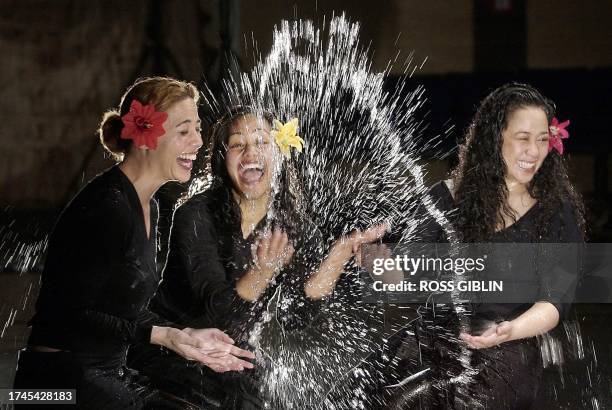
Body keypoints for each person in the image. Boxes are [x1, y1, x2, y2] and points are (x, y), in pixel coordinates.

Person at [13, 77, 255, 410]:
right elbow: (72, 315)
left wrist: (184, 334)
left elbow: (119, 308)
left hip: (105, 373)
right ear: (146, 137)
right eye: (184, 131)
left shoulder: (149, 206)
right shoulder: (107, 208)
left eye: (198, 129)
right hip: (56, 386)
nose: (199, 141)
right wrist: (162, 336)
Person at [128, 106, 387, 408]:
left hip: (231, 358)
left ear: (279, 154)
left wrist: (339, 255)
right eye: (237, 144)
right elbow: (217, 316)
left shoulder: (295, 226)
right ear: (222, 160)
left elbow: (300, 315)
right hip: (171, 353)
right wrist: (262, 272)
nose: (250, 151)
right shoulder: (196, 216)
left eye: (262, 142)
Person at [384, 83, 585, 409]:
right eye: (523, 138)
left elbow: (555, 301)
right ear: (495, 139)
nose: (534, 151)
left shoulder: (555, 210)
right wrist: (375, 260)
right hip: (433, 346)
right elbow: (407, 281)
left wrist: (511, 329)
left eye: (542, 140)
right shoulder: (443, 198)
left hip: (509, 347)